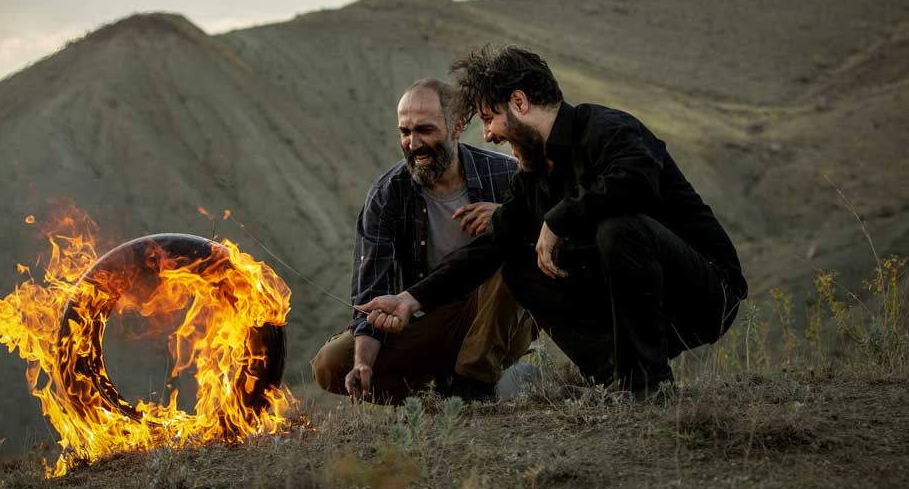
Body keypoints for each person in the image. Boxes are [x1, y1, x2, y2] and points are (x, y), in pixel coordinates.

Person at [356, 47, 748, 398]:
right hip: (640, 304)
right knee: (517, 262)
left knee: (619, 228)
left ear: (520, 102)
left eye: (491, 118)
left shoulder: (607, 129)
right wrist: (410, 299)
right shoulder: (532, 176)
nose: (489, 135)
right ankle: (615, 377)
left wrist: (556, 221)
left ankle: (645, 385)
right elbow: (490, 245)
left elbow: (635, 182)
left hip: (706, 291)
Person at [310, 78, 536, 403]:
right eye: (405, 132)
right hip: (427, 318)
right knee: (330, 364)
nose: (413, 143)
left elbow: (554, 237)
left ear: (457, 125)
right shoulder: (387, 195)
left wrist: (508, 217)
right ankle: (440, 391)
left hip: (500, 321)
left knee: (511, 246)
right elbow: (372, 294)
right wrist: (362, 364)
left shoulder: (506, 175)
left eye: (425, 130)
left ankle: (473, 385)